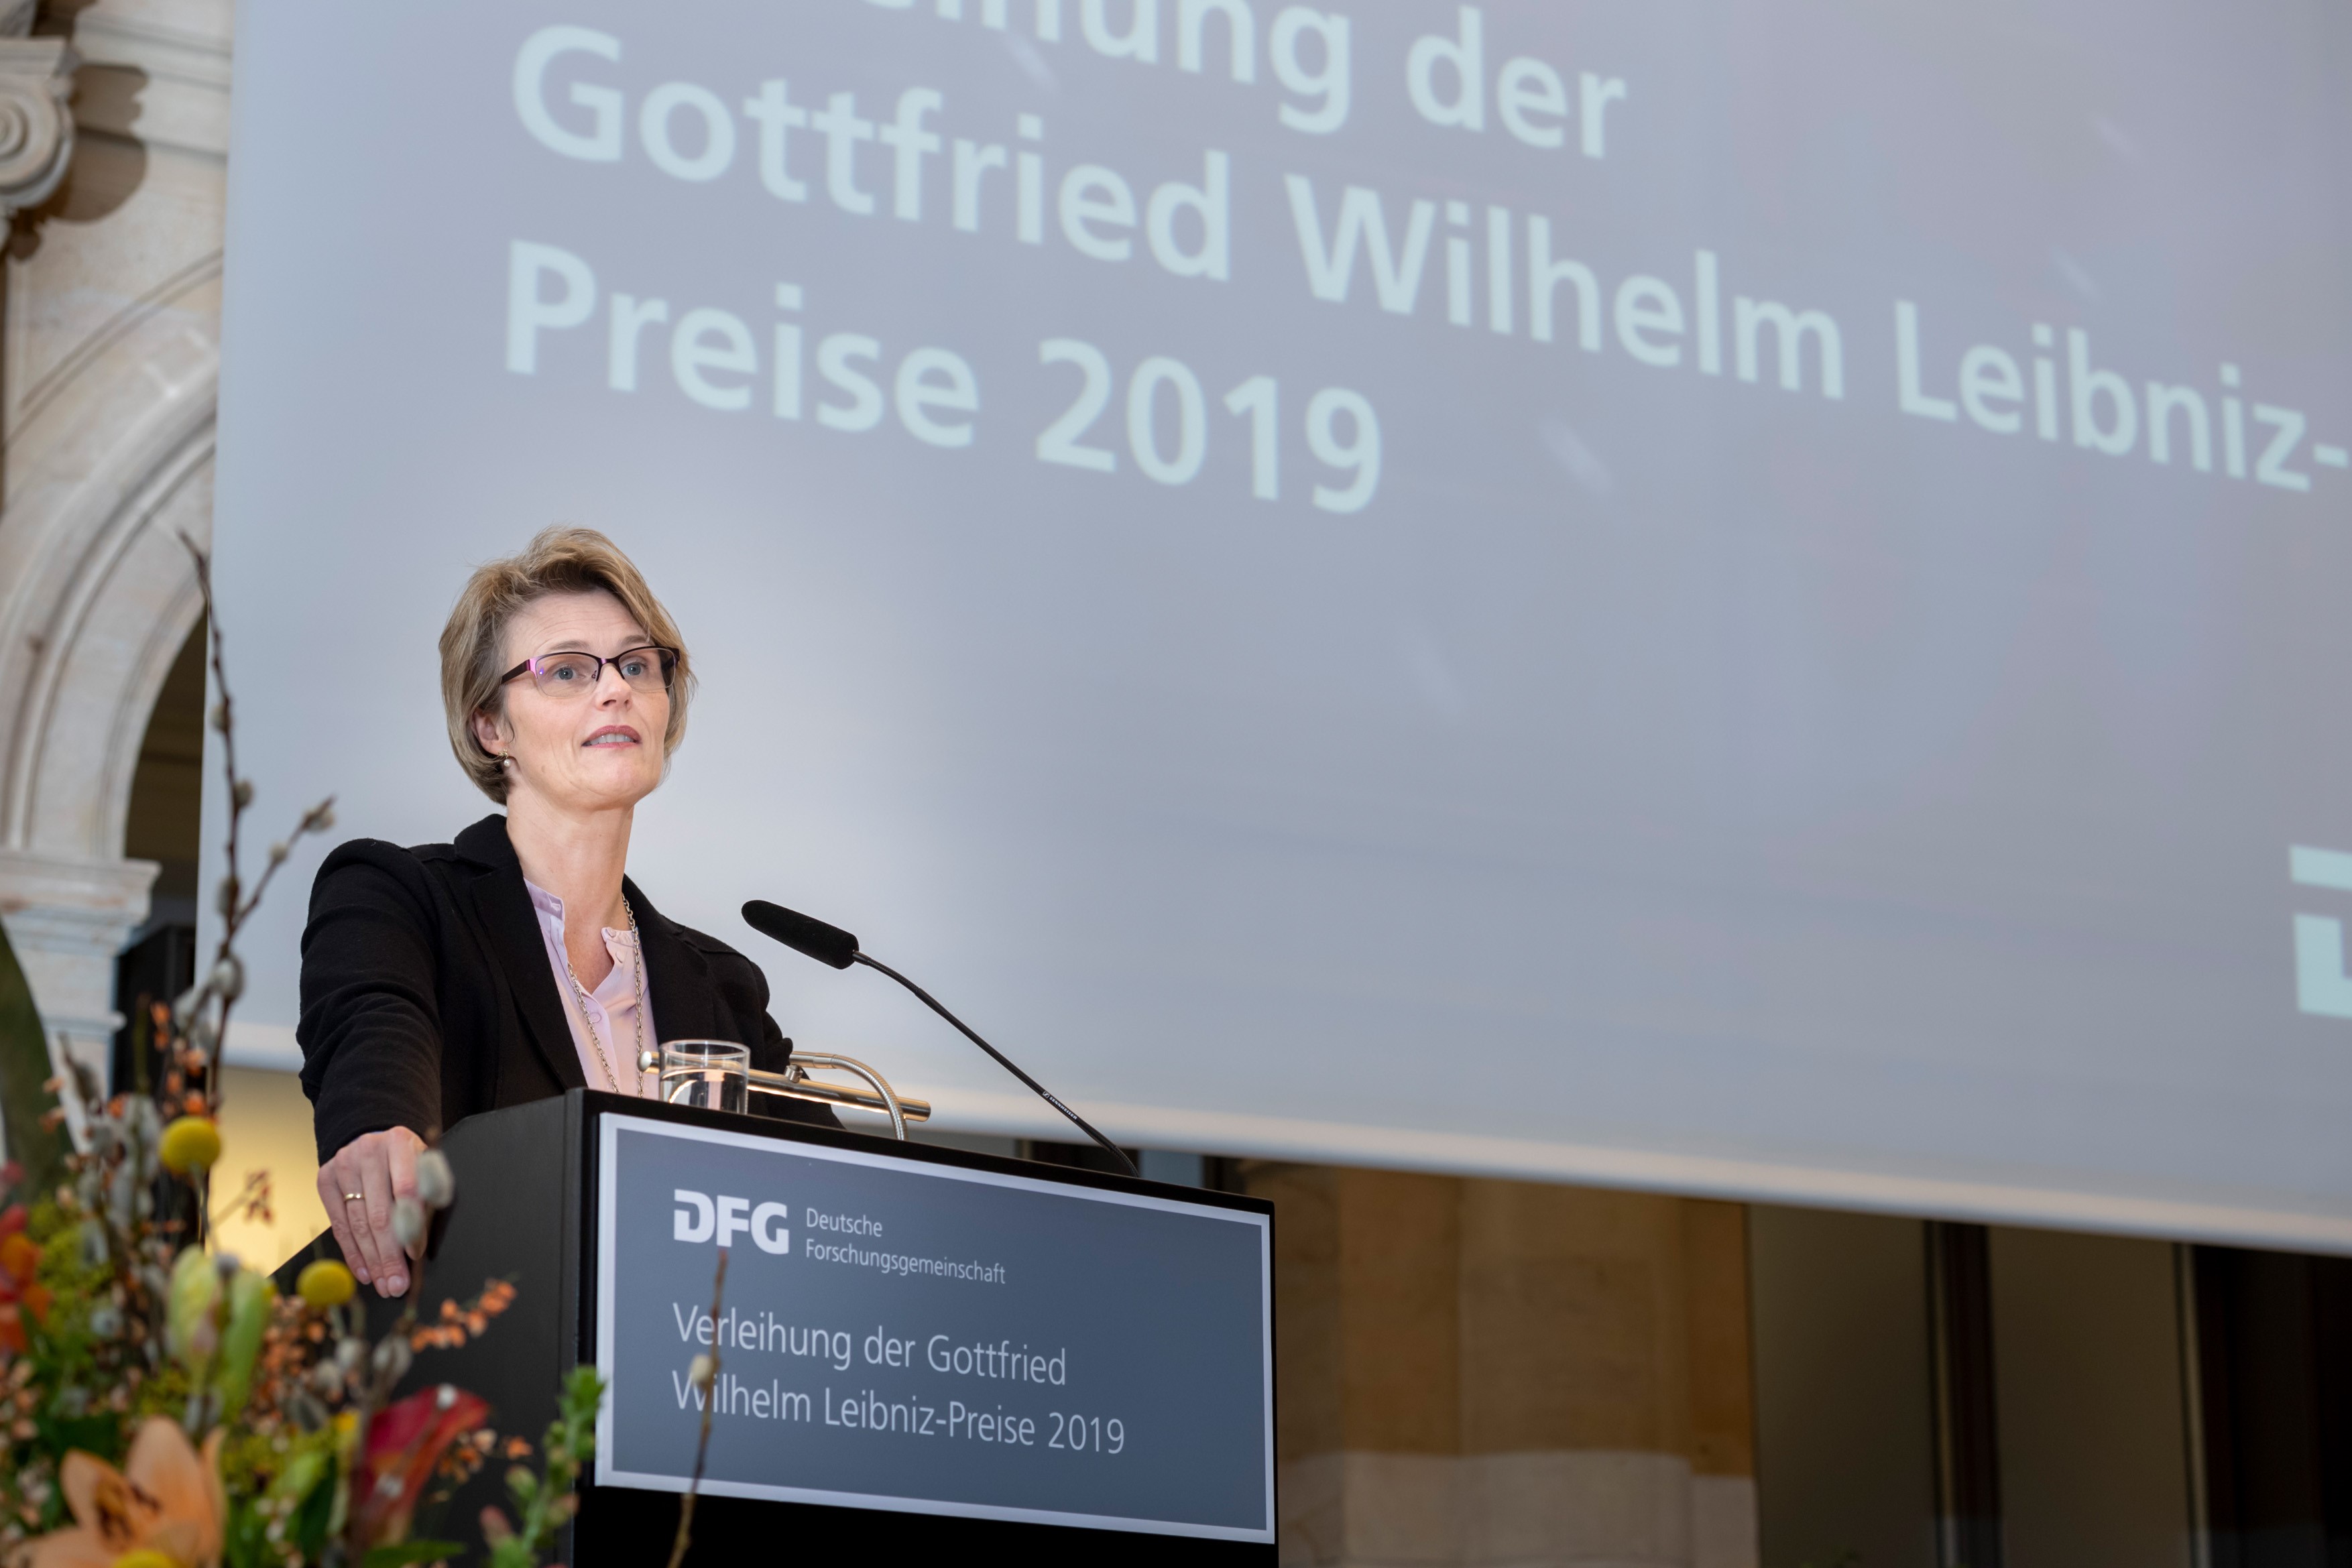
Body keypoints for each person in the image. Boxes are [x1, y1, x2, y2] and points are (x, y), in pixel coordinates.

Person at [297, 527, 829, 1297]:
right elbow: (374, 1031)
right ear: (491, 726)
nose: (615, 689)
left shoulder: (723, 986)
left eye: (637, 665)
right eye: (568, 670)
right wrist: (380, 1130)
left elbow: (836, 1206)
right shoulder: (400, 897)